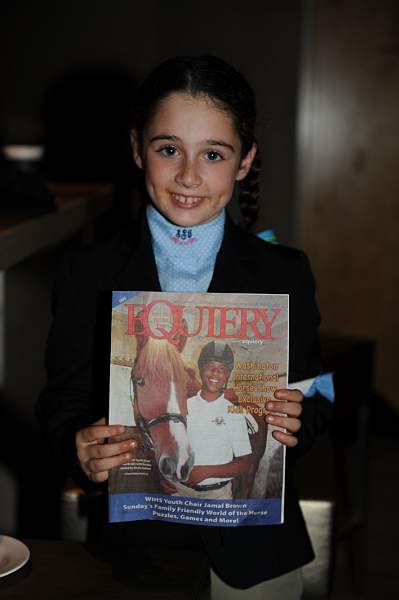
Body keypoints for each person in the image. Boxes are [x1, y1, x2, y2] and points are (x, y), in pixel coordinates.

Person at [36, 55, 333, 597]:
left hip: (254, 552)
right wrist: (76, 442)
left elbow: (319, 389)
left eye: (213, 154)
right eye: (168, 149)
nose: (189, 176)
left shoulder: (285, 271)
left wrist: (301, 417)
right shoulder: (89, 271)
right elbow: (63, 396)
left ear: (244, 162)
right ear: (136, 149)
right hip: (136, 548)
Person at [172, 341, 252, 500]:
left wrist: (205, 472)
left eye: (222, 369)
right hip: (181, 491)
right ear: (201, 370)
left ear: (227, 374)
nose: (215, 373)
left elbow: (244, 463)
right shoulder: (182, 406)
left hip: (217, 495)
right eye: (210, 366)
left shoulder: (235, 412)